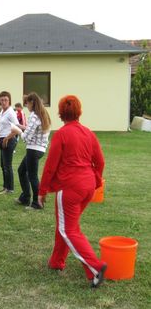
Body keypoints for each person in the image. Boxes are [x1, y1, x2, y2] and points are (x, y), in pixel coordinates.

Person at [39, 95, 107, 288]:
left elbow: (51, 166)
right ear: (79, 112)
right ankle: (56, 262)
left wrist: (42, 190)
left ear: (61, 113)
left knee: (68, 228)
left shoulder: (61, 134)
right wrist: (95, 179)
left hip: (69, 187)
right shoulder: (88, 133)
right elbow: (100, 162)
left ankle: (96, 267)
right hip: (87, 187)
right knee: (67, 225)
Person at [6, 93, 51, 209]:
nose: (26, 106)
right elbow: (35, 131)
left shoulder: (33, 116)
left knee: (32, 176)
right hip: (40, 149)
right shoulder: (43, 114)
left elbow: (26, 137)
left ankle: (37, 202)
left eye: (27, 103)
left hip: (33, 149)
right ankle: (25, 197)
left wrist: (16, 130)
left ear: (32, 103)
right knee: (22, 170)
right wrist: (21, 127)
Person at [0, 91, 19, 195]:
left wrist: (6, 138)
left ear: (9, 101)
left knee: (7, 165)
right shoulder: (2, 111)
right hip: (2, 139)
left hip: (9, 140)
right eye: (2, 100)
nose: (3, 102)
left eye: (5, 100)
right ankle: (5, 186)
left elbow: (16, 128)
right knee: (3, 165)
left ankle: (10, 188)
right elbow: (2, 126)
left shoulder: (11, 112)